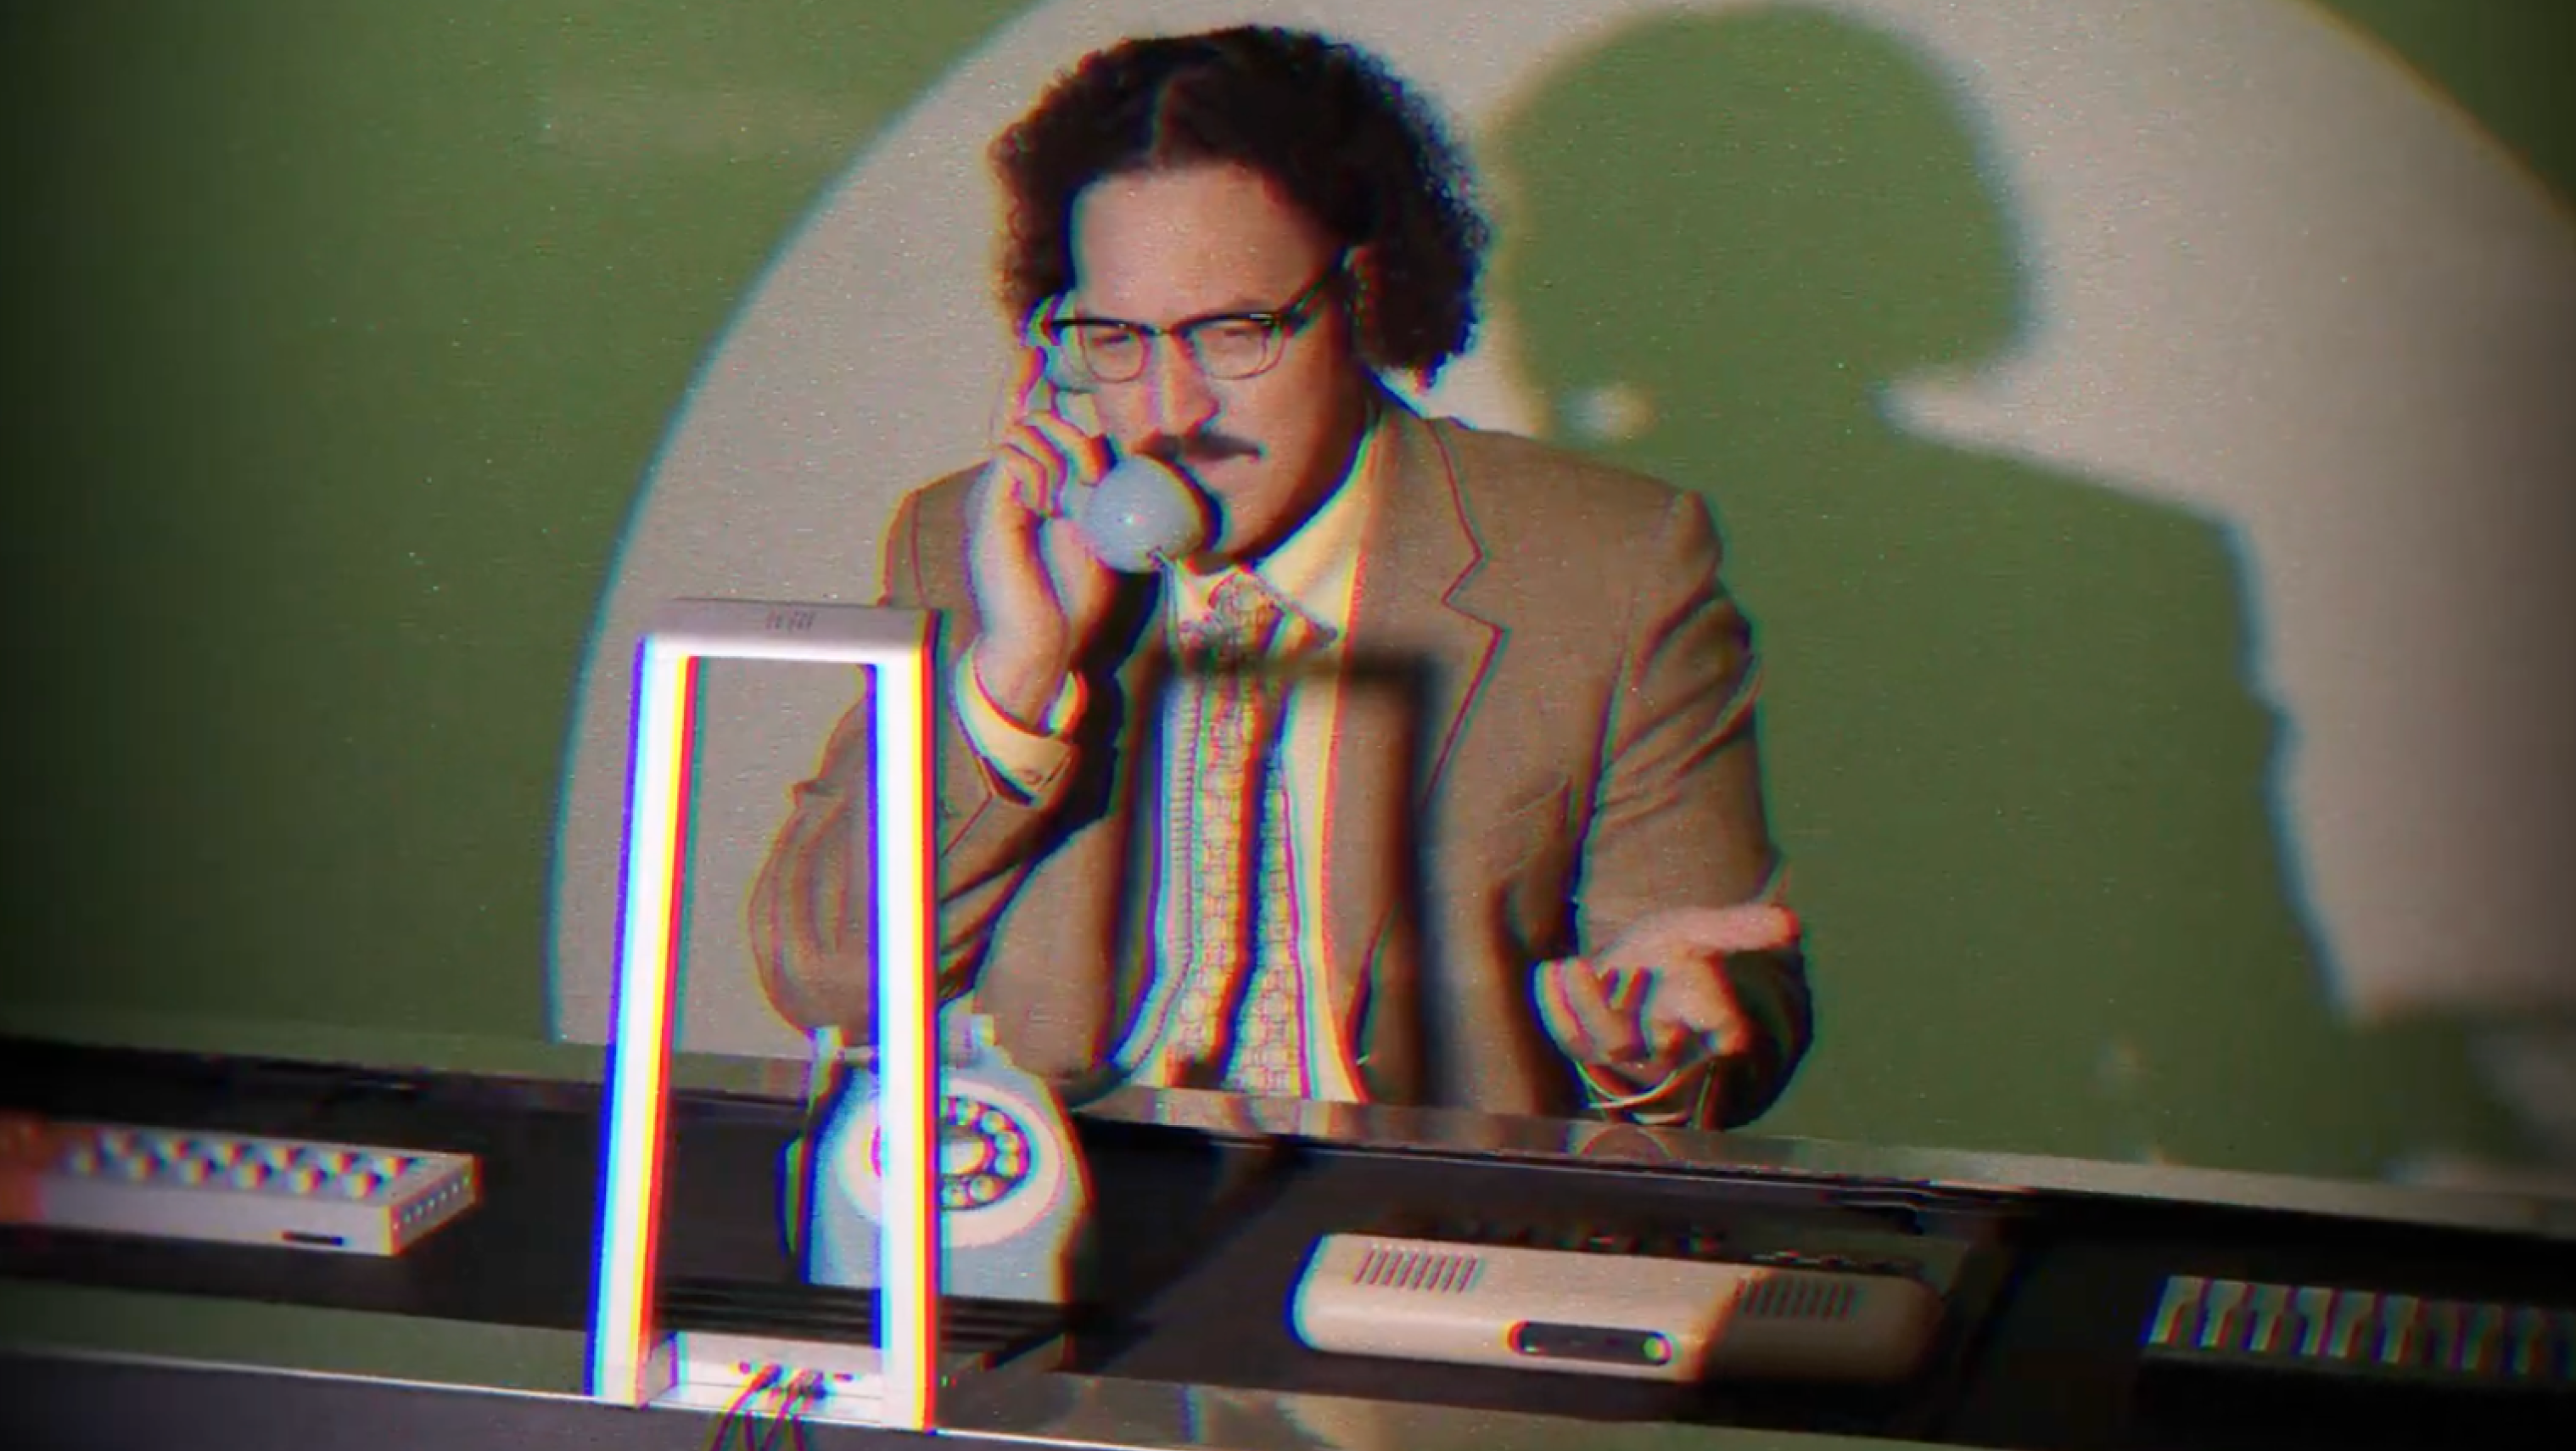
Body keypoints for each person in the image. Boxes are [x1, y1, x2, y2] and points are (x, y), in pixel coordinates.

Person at [751, 25, 1809, 1129]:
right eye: (1114, 339)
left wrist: (1660, 1044)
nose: (1169, 409)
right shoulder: (975, 543)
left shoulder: (1611, 562)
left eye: (1231, 333)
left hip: (1419, 1211)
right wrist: (1016, 682)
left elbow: (1714, 998)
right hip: (1069, 1197)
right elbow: (827, 978)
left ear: (1360, 296)